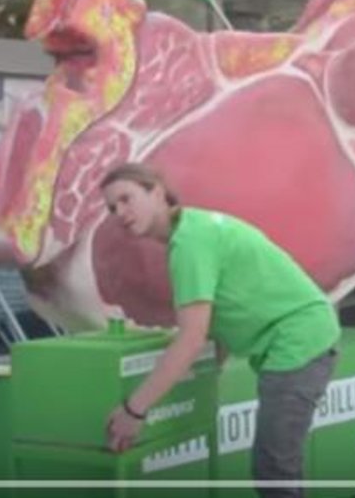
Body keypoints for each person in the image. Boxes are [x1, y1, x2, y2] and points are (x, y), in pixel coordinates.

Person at [99, 163, 338, 498]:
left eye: (126, 198)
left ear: (156, 191)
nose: (120, 213)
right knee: (279, 469)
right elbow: (215, 323)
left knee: (274, 471)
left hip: (298, 341)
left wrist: (134, 410)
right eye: (112, 208)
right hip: (302, 336)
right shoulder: (195, 229)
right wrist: (207, 375)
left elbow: (192, 337)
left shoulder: (190, 243)